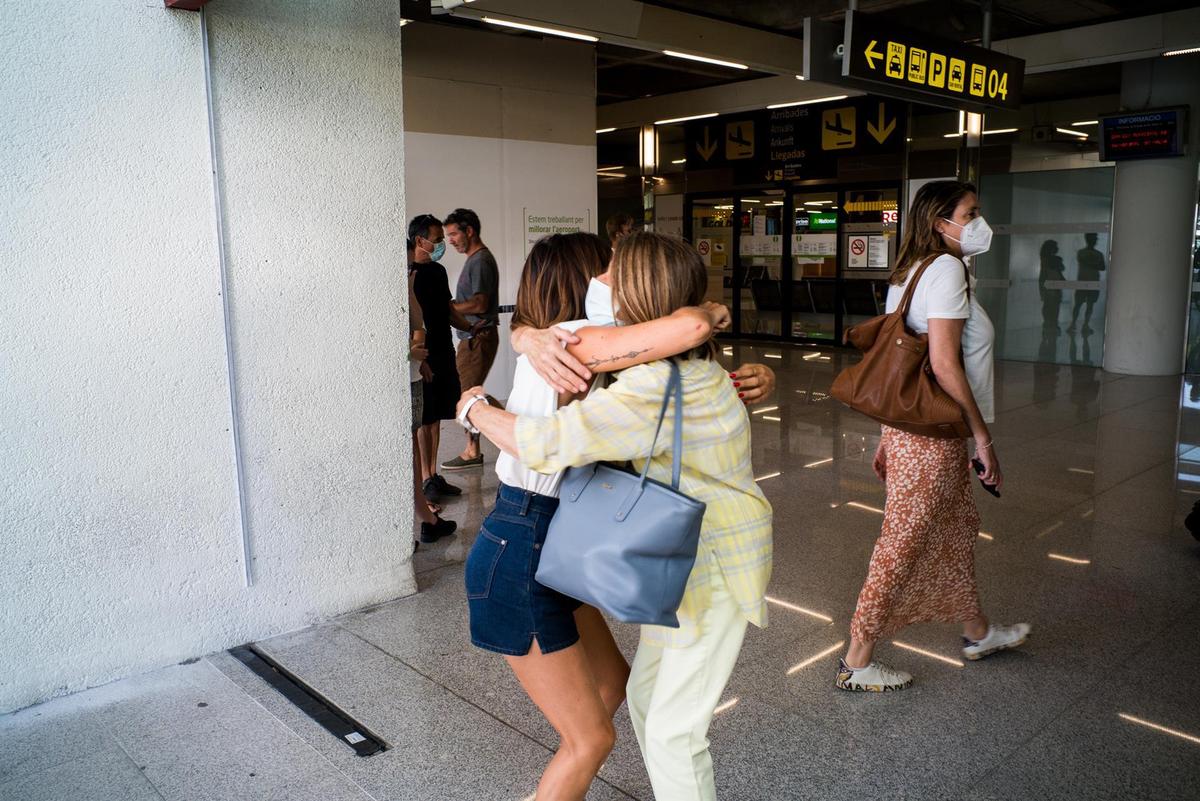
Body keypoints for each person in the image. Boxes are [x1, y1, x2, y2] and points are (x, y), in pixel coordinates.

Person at [460, 232, 772, 800]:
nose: (604, 282)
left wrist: (478, 400)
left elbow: (680, 347)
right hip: (523, 539)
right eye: (600, 270)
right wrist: (486, 389)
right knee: (613, 724)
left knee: (629, 704)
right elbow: (685, 335)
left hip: (600, 546)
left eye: (613, 272)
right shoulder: (571, 348)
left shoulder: (630, 364)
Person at [837, 181, 1030, 693]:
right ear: (939, 222)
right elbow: (943, 364)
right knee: (903, 541)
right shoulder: (944, 270)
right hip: (932, 435)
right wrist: (982, 438)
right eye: (971, 213)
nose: (978, 223)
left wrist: (890, 434)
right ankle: (856, 660)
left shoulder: (912, 271)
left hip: (912, 429)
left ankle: (978, 631)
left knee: (955, 529)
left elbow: (907, 361)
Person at [408, 213, 473, 507]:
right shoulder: (407, 274)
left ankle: (432, 475)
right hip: (423, 355)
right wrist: (418, 359)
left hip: (443, 350)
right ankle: (424, 479)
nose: (439, 244)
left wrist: (470, 328)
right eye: (435, 240)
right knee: (425, 417)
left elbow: (447, 310)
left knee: (437, 416)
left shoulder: (437, 271)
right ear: (419, 240)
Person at [441, 209, 500, 472]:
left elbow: (480, 302)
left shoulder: (480, 261)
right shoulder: (474, 259)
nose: (450, 240)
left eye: (453, 234)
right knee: (469, 393)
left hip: (478, 337)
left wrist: (448, 308)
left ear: (469, 231)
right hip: (472, 337)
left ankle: (475, 450)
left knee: (467, 395)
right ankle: (474, 448)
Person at [407, 254, 456, 546]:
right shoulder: (392, 289)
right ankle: (424, 516)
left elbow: (418, 327)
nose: (412, 270)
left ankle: (425, 516)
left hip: (414, 372)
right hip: (404, 376)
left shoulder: (409, 283)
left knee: (412, 447)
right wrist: (410, 354)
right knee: (409, 449)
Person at [1069, 233, 1106, 334]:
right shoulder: (1084, 253)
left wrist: (1092, 263)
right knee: (1079, 305)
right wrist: (1095, 263)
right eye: (1094, 239)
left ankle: (1084, 325)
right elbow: (1100, 266)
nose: (1095, 241)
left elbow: (1103, 267)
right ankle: (1074, 324)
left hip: (1091, 282)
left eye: (1095, 239)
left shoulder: (1085, 253)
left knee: (1087, 305)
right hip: (1084, 282)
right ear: (1089, 239)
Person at [1038, 239, 1065, 334]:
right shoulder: (1052, 260)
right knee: (1052, 307)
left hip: (1052, 287)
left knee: (1049, 307)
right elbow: (1060, 269)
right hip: (1052, 288)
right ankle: (1051, 325)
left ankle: (1049, 325)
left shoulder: (1046, 260)